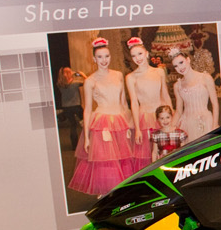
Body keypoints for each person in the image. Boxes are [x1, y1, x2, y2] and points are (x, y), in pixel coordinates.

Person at [70, 37, 135, 195]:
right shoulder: (90, 81)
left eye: (106, 56)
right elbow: (87, 110)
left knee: (123, 158)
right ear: (94, 59)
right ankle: (106, 192)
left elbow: (123, 102)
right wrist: (86, 136)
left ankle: (121, 193)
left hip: (120, 120)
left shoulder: (118, 75)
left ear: (110, 56)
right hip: (102, 122)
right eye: (100, 57)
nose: (104, 60)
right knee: (106, 160)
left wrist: (129, 122)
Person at [124, 36, 172, 172]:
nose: (137, 58)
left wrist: (171, 117)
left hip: (161, 116)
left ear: (146, 53)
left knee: (165, 152)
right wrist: (137, 128)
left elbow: (165, 95)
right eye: (133, 56)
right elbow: (134, 102)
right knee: (147, 156)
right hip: (144, 119)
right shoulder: (131, 77)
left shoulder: (159, 71)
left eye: (139, 53)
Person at [171, 49, 219, 143]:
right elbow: (179, 110)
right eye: (176, 66)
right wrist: (171, 128)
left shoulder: (205, 78)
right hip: (186, 124)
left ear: (188, 60)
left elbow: (215, 105)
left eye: (181, 62)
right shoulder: (177, 85)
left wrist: (214, 125)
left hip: (204, 122)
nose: (180, 67)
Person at [55, 66, 84, 148]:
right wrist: (81, 74)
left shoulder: (60, 84)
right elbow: (88, 81)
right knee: (85, 123)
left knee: (73, 125)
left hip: (66, 107)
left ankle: (74, 145)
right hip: (76, 106)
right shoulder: (75, 83)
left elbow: (64, 81)